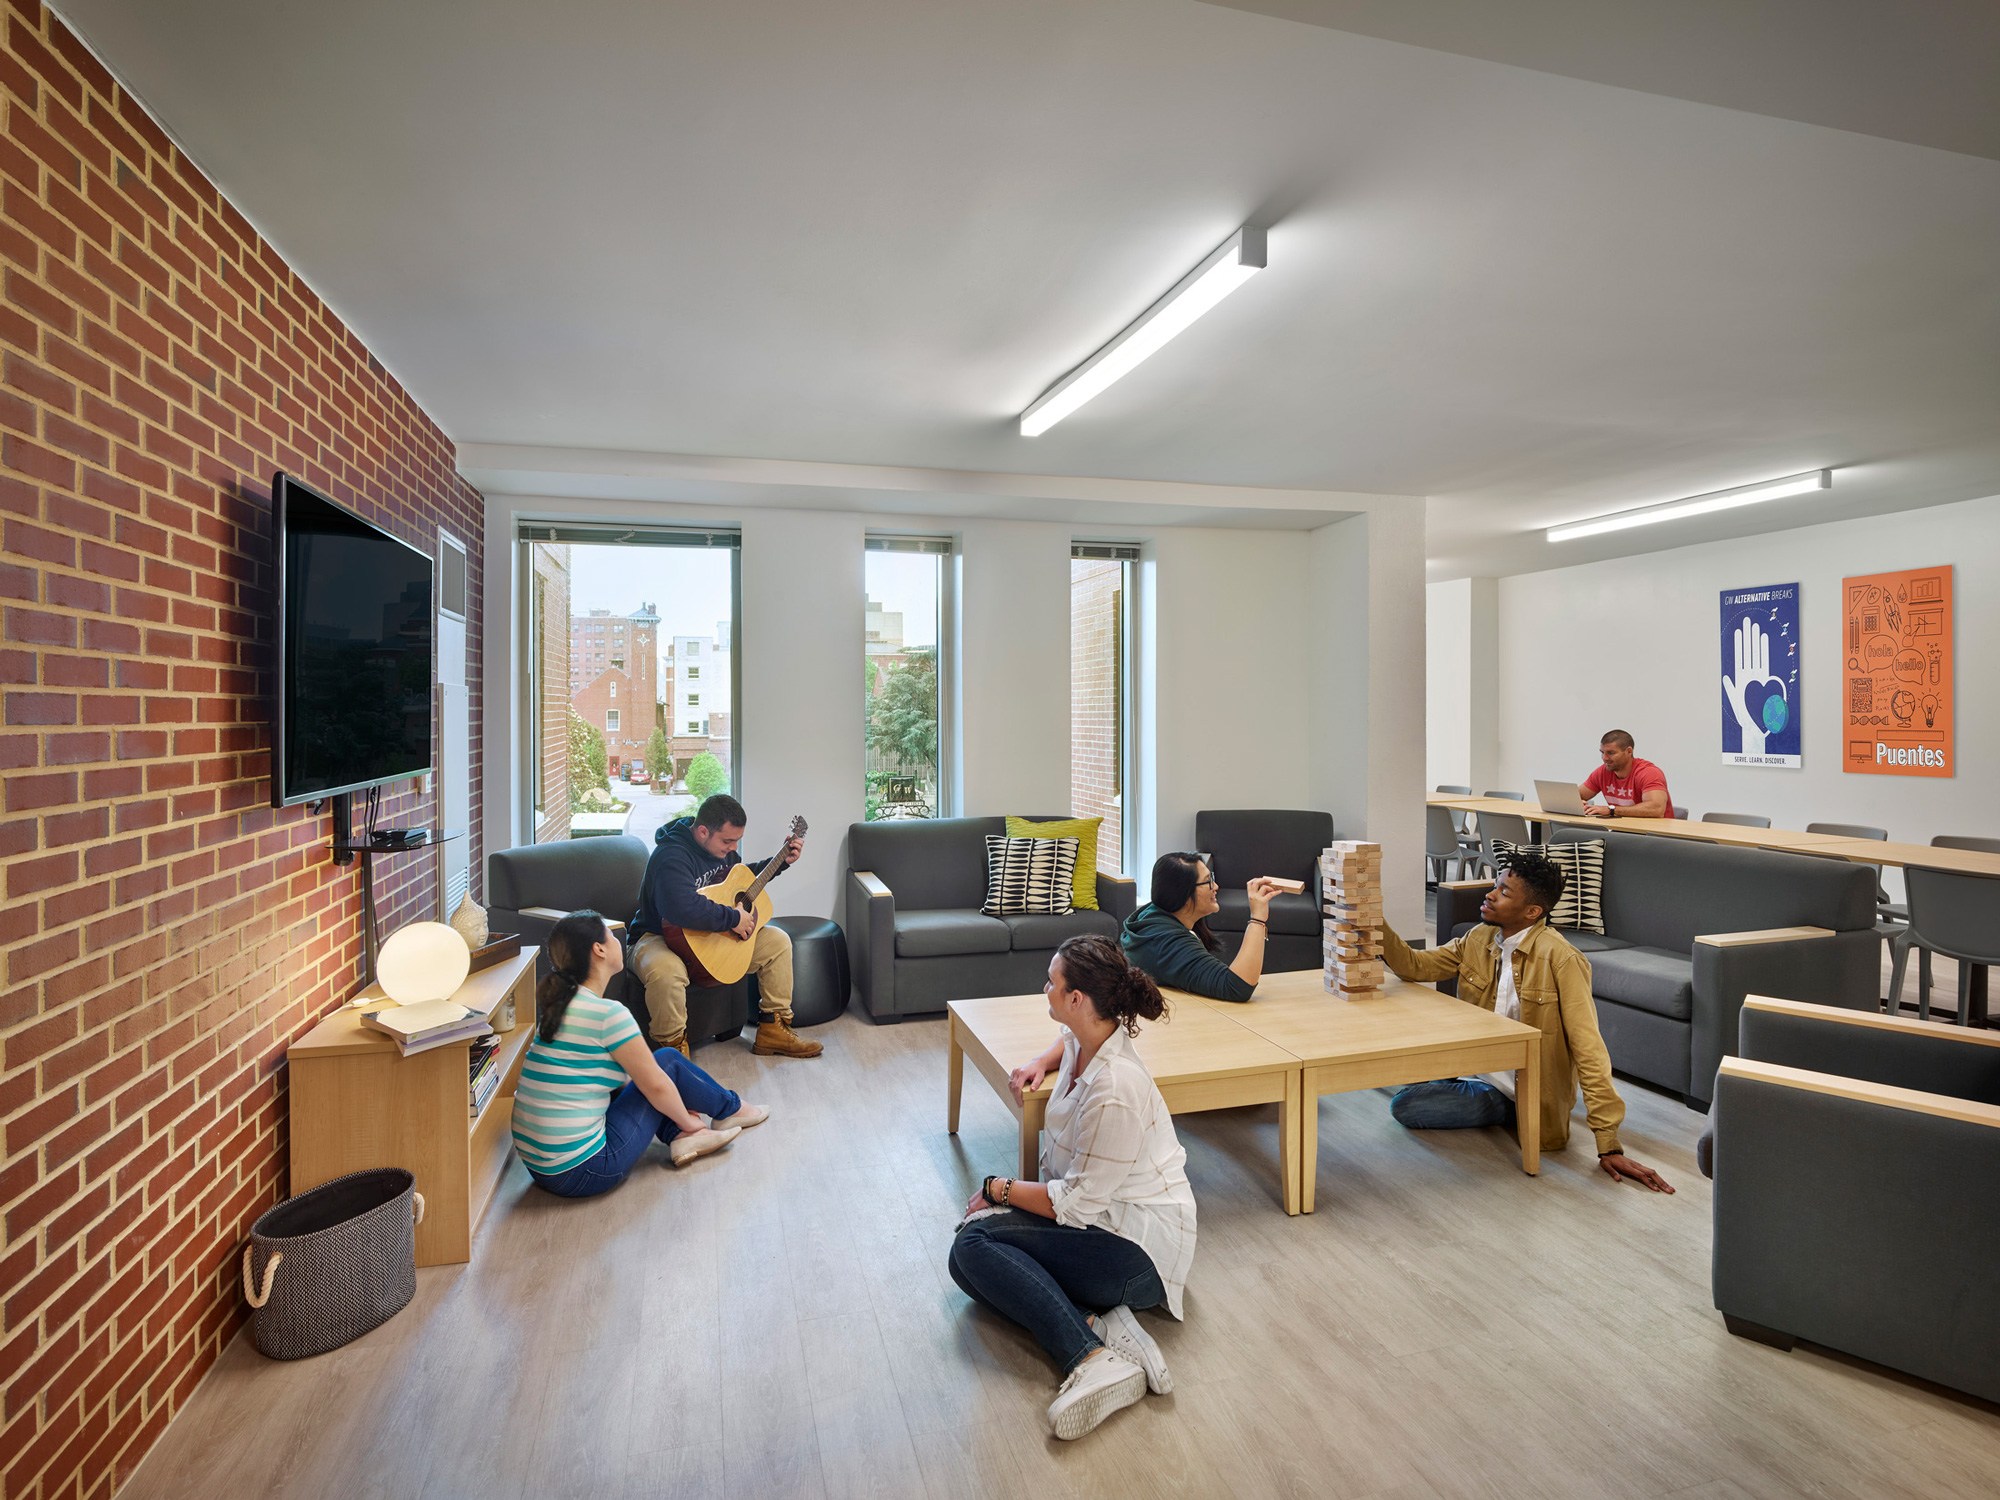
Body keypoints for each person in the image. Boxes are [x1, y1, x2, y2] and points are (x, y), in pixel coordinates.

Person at [947, 935, 1196, 1441]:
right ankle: (1103, 1325)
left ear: (1077, 999)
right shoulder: (1091, 1035)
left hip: (1137, 1253)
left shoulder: (1115, 1090)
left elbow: (1076, 1205)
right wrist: (1042, 1061)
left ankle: (1091, 1358)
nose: (1045, 987)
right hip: (1104, 1224)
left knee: (974, 1244)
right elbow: (1068, 1041)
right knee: (966, 1261)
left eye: (1053, 982)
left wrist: (1000, 1189)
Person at [1377, 848, 1674, 1193]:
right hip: (1476, 1066)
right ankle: (1454, 1089)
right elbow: (1415, 966)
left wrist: (1608, 1143)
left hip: (1515, 1090)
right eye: (1495, 885)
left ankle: (1509, 1114)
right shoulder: (1480, 938)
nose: (1489, 894)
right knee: (1387, 1071)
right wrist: (1373, 919)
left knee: (1406, 1105)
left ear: (1532, 911)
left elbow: (1588, 1048)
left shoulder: (1561, 959)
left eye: (1504, 892)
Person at [512, 910, 768, 1198]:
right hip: (586, 1170)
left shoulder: (558, 1007)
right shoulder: (608, 1014)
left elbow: (621, 1084)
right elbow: (655, 1085)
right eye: (610, 936)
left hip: (540, 1167)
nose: (616, 941)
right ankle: (729, 1111)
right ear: (598, 950)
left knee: (652, 1075)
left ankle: (683, 1137)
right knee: (667, 1063)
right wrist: (688, 1119)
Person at [627, 793, 822, 1059]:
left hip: (705, 937)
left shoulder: (723, 853)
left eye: (737, 841)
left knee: (776, 942)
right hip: (656, 936)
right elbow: (681, 907)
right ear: (703, 831)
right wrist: (733, 919)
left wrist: (780, 863)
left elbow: (740, 883)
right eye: (727, 840)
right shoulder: (671, 856)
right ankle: (672, 1054)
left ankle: (773, 1030)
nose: (733, 848)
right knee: (666, 972)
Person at [1119, 851, 1284, 1002]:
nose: (1216, 887)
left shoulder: (1151, 915)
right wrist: (1258, 918)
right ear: (1183, 894)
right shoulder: (1168, 944)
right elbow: (1237, 987)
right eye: (1208, 882)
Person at [1578, 729, 1671, 818]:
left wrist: (1611, 810)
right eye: (1602, 752)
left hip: (1654, 832)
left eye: (1610, 753)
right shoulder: (1603, 772)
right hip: (1624, 831)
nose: (1604, 758)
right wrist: (1577, 803)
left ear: (1629, 751)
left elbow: (1656, 809)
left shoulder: (1648, 773)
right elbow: (1576, 795)